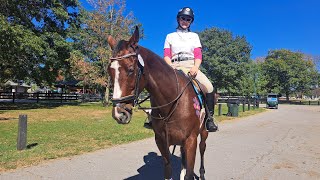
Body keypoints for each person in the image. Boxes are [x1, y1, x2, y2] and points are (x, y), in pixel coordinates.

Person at [145, 7, 218, 132]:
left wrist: (195, 67)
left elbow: (198, 55)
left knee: (209, 87)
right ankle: (153, 118)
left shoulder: (194, 36)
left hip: (191, 65)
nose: (185, 21)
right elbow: (167, 54)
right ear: (178, 19)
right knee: (156, 86)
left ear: (191, 22)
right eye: (183, 18)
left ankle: (209, 119)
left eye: (188, 19)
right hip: (173, 66)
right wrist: (169, 66)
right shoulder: (170, 36)